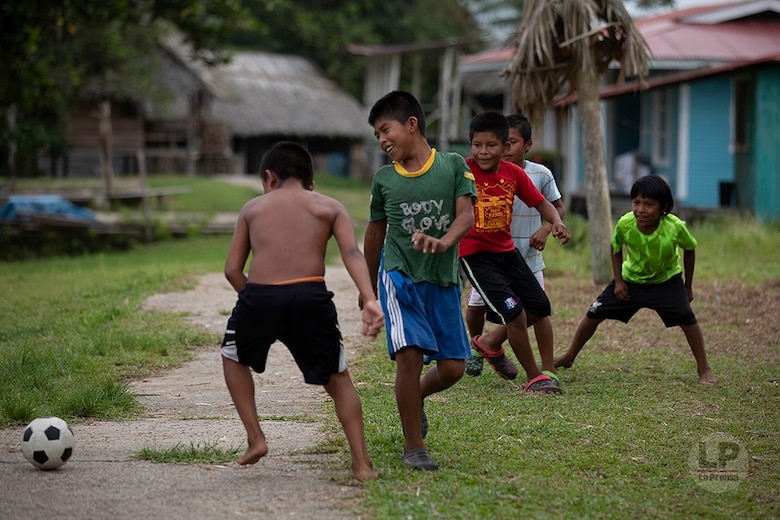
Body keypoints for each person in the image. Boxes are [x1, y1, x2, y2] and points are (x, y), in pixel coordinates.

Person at [220, 141, 385, 481]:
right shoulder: (329, 206)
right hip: (311, 296)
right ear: (311, 183)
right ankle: (362, 464)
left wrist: (254, 301)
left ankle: (255, 438)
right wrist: (369, 298)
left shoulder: (252, 208)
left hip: (260, 296)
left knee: (233, 356)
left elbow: (232, 270)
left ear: (269, 177)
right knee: (338, 379)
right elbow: (352, 253)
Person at [363, 91, 476, 471]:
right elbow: (375, 233)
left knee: (453, 368)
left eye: (386, 130)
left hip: (442, 278)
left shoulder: (453, 165)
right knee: (409, 356)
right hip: (400, 278)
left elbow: (466, 216)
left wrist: (444, 241)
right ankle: (414, 446)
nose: (382, 140)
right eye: (377, 135)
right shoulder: (384, 179)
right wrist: (368, 289)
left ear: (411, 124)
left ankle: (418, 397)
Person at [554, 174, 717, 384]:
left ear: (663, 207)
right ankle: (569, 356)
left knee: (687, 318)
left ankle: (704, 368)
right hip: (631, 281)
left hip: (666, 281)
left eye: (648, 204)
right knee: (594, 312)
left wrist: (688, 286)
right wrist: (619, 281)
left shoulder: (675, 226)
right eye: (636, 202)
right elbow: (615, 248)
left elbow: (690, 249)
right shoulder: (626, 223)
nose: (640, 209)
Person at [458, 111, 570, 394]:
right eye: (477, 145)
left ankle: (488, 343)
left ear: (504, 146)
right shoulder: (462, 171)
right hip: (475, 254)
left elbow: (542, 203)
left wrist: (555, 222)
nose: (483, 152)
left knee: (540, 306)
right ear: (470, 145)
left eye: (491, 145)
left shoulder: (514, 173)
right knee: (514, 313)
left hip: (507, 252)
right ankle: (535, 377)